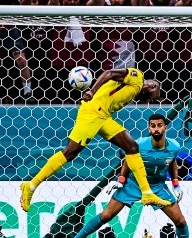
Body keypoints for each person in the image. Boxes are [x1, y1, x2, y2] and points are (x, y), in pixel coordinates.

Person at [20, 68, 171, 213]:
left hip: (103, 116)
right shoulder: (137, 77)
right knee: (70, 153)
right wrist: (92, 90)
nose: (149, 101)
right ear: (152, 87)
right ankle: (31, 186)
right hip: (92, 112)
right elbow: (109, 73)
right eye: (153, 97)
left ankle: (146, 193)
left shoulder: (135, 90)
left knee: (132, 147)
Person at [58, 114, 192, 238]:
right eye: (153, 126)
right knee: (106, 215)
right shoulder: (139, 145)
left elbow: (172, 162)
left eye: (159, 125)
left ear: (165, 127)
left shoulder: (174, 146)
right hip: (133, 184)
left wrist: (176, 184)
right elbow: (127, 160)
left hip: (158, 186)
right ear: (149, 128)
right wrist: (121, 180)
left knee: (180, 221)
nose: (156, 129)